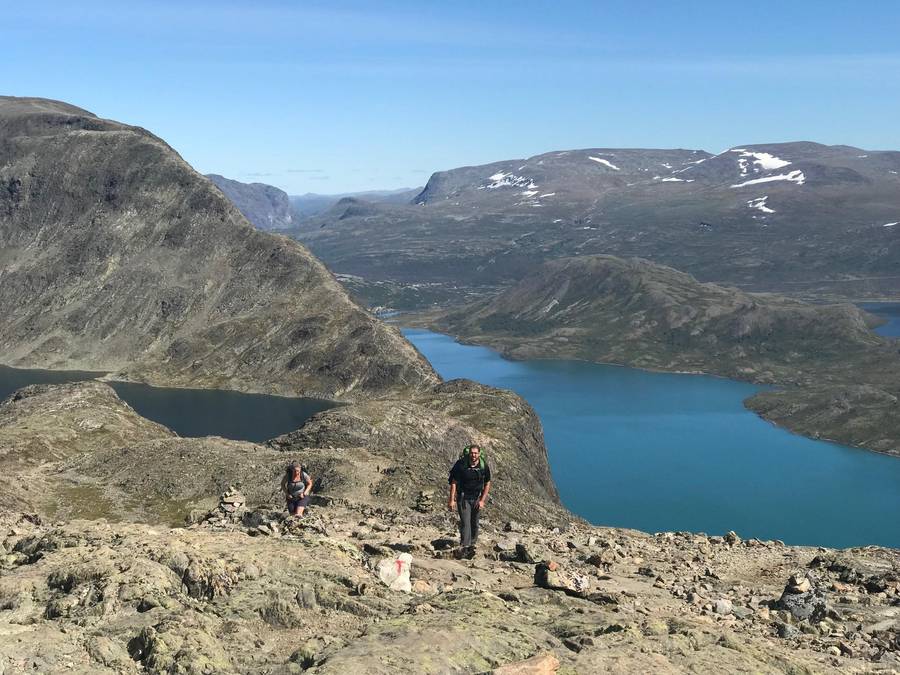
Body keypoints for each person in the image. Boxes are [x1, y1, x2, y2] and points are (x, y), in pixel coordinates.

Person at [447, 444, 492, 559]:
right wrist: (452, 500)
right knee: (465, 523)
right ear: (469, 454)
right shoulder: (461, 465)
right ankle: (465, 547)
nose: (473, 455)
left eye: (476, 453)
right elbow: (454, 482)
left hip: (477, 498)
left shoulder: (483, 466)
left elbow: (487, 483)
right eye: (472, 453)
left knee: (475, 523)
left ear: (479, 454)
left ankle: (472, 544)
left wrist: (482, 500)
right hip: (463, 498)